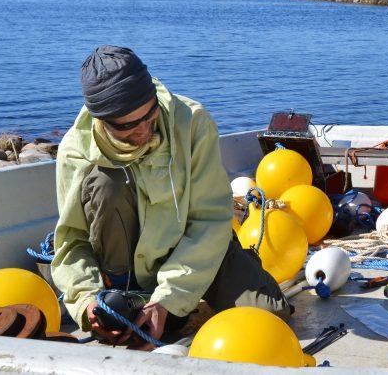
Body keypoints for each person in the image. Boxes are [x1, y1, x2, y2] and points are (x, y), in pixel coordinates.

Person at [51, 45, 290, 344]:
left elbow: (211, 220)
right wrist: (87, 301)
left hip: (199, 248)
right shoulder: (76, 150)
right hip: (125, 270)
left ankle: (170, 304)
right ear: (101, 119)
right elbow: (71, 241)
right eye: (127, 126)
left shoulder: (193, 122)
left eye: (149, 116)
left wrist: (168, 298)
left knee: (268, 320)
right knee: (104, 183)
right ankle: (130, 296)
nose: (142, 131)